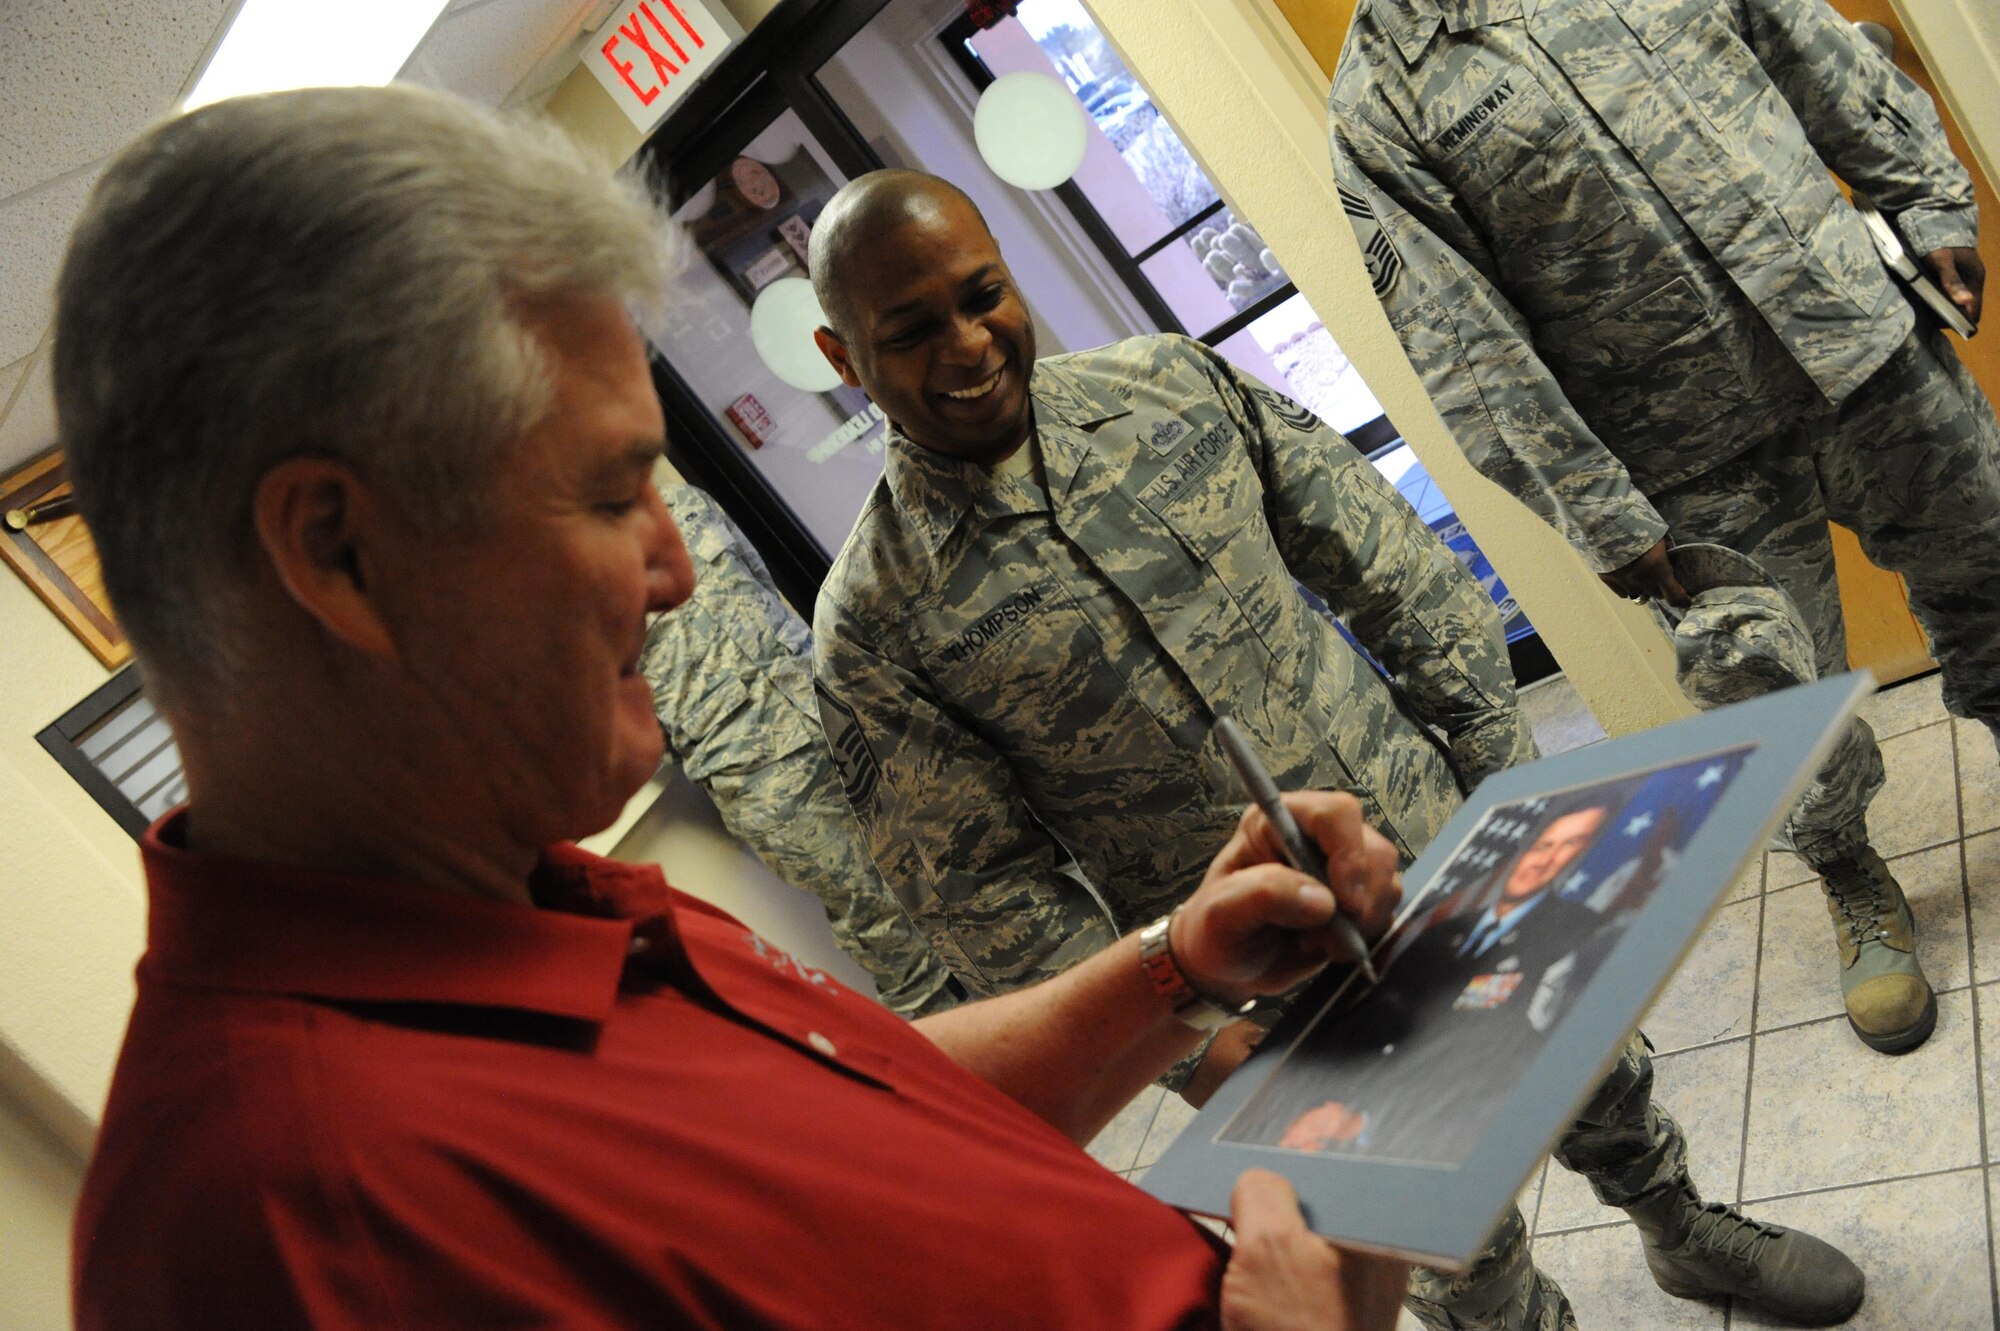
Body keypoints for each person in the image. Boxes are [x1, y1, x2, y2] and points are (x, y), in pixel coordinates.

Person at [56, 84, 1418, 1331]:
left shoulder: (537, 904)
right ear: (339, 552)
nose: (671, 569)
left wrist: (1172, 966)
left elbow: (856, 1126)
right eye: (605, 495)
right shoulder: (305, 1227)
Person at [806, 169, 1862, 1330]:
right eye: (909, 331)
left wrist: (1498, 767)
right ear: (845, 356)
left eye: (981, 293)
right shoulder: (876, 620)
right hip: (1264, 975)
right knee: (1432, 1231)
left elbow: (1385, 560)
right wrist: (1192, 1041)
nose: (967, 344)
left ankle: (1678, 1224)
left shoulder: (1166, 386)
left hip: (1435, 835)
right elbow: (982, 896)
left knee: (1589, 1062)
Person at [1326, 0, 2000, 1056]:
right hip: (1688, 458)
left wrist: (1922, 194)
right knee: (1776, 704)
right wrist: (1597, 510)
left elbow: (1802, 44)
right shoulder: (1380, 108)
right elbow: (1466, 343)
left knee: (1991, 567)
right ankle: (1848, 874)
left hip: (1859, 342)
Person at [639, 481, 959, 1015]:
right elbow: (641, 732)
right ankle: (973, 1082)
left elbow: (760, 578)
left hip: (833, 707)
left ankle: (1038, 1013)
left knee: (954, 859)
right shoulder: (578, 597)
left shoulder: (679, 504)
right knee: (887, 932)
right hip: (766, 783)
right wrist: (718, 741)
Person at [1224, 795, 1620, 1166]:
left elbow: (1509, 1048)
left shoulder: (1580, 933)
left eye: (1569, 847)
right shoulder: (1442, 933)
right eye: (1543, 845)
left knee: (1610, 1116)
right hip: (1414, 1129)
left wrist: (1365, 1116)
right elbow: (1371, 1029)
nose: (1544, 861)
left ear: (1582, 856)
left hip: (1478, 1099)